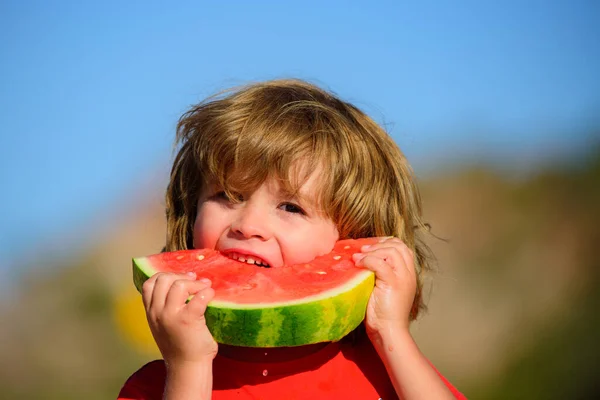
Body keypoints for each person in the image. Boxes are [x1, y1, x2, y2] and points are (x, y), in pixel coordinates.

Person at [118, 79, 466, 399]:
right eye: (227, 194)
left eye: (290, 207)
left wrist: (392, 333)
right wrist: (188, 368)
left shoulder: (389, 375)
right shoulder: (154, 387)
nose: (248, 224)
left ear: (354, 239)